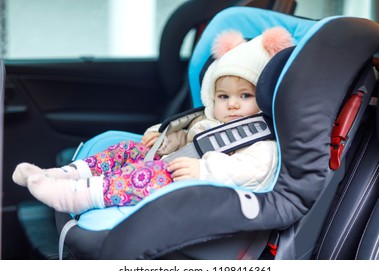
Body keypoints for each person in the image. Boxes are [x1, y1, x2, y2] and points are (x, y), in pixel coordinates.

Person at [12, 27, 293, 214]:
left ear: (265, 96)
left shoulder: (262, 140)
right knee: (127, 149)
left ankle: (79, 195)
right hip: (183, 165)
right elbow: (191, 140)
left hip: (211, 190)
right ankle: (65, 175)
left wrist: (203, 170)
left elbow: (253, 171)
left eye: (245, 95)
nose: (232, 104)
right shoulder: (211, 121)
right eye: (222, 96)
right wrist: (167, 141)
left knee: (151, 174)